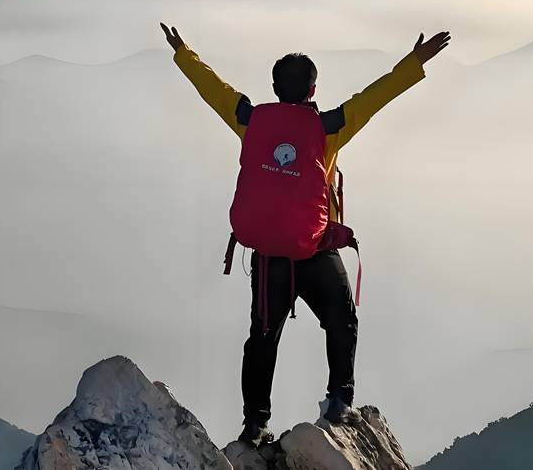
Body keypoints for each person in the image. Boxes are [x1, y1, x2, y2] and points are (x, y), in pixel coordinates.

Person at [161, 22, 450, 446]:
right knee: (342, 317)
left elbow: (214, 91)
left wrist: (184, 53)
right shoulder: (330, 127)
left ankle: (255, 424)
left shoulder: (250, 120)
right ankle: (339, 401)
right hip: (313, 249)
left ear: (275, 88)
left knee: (262, 337)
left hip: (268, 254)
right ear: (313, 90)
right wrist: (414, 63)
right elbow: (375, 98)